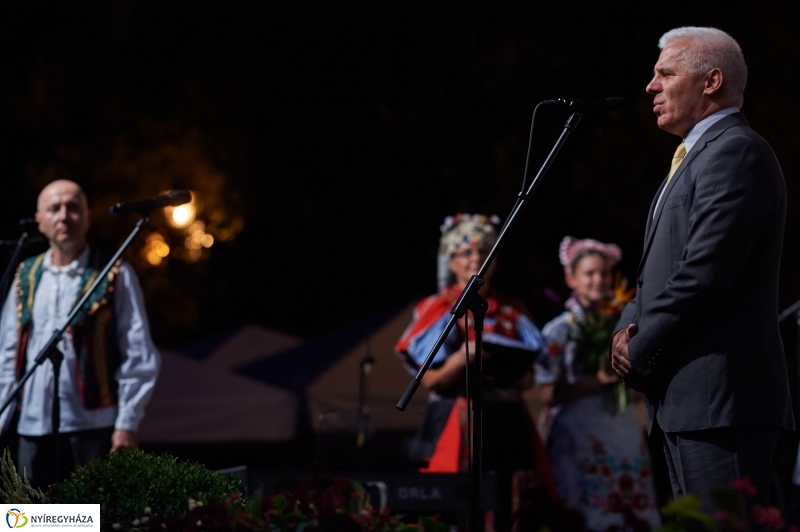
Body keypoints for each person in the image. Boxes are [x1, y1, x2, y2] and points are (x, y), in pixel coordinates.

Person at [610, 27, 794, 511]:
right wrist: (624, 327)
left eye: (665, 73)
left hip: (722, 402)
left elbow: (704, 271)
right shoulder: (694, 157)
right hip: (688, 401)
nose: (651, 86)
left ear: (711, 81)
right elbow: (659, 271)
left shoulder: (737, 151)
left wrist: (640, 346)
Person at [395, 213, 556, 532]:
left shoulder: (512, 310)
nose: (476, 258)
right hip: (458, 414)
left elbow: (532, 372)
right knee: (457, 502)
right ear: (451, 262)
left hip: (508, 418)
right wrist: (461, 360)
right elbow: (430, 379)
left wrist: (521, 373)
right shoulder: (439, 308)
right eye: (466, 252)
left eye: (484, 252)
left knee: (513, 504)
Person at [0, 180, 161, 488]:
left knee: (91, 517)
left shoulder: (114, 271)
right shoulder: (26, 274)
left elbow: (138, 353)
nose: (64, 216)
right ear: (40, 221)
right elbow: (7, 353)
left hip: (94, 426)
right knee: (31, 520)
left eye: (73, 207)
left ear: (87, 217)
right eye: (54, 208)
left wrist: (127, 423)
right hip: (31, 426)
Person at [538, 236, 660, 530]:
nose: (598, 280)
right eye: (590, 273)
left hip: (623, 430)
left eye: (604, 273)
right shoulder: (557, 332)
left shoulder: (624, 327)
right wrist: (597, 380)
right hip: (577, 435)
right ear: (571, 278)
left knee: (630, 513)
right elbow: (547, 394)